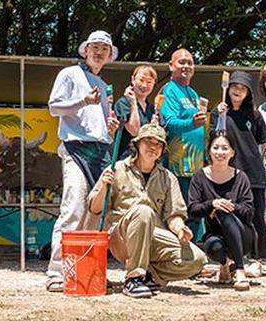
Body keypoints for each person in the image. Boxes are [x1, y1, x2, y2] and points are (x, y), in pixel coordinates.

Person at [87, 123, 206, 298]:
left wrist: (181, 230)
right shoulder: (117, 169)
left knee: (197, 259)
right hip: (121, 237)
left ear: (163, 150)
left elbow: (174, 215)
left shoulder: (168, 177)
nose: (153, 147)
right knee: (143, 211)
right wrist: (104, 186)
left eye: (158, 144)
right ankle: (133, 279)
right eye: (148, 141)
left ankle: (150, 276)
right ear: (137, 144)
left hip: (154, 235)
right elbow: (94, 208)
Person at [44, 30, 120, 292]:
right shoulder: (69, 74)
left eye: (104, 49)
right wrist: (82, 100)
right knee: (73, 209)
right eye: (95, 47)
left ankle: (87, 270)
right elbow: (54, 107)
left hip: (101, 152)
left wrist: (110, 127)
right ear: (85, 50)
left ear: (109, 56)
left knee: (96, 215)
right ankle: (56, 273)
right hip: (75, 148)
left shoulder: (102, 84)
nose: (99, 52)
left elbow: (98, 123)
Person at [212, 71, 266, 264]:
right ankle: (235, 255)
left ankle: (261, 255)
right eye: (235, 87)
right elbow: (213, 137)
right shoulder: (218, 112)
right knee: (233, 213)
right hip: (230, 172)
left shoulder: (254, 115)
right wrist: (220, 117)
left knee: (256, 216)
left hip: (253, 171)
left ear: (248, 93)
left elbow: (263, 142)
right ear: (228, 88)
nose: (238, 91)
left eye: (242, 88)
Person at [187, 132, 256, 291]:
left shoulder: (241, 177)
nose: (220, 152)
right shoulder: (199, 177)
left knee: (223, 211)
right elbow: (192, 209)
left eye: (225, 148)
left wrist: (228, 207)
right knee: (213, 246)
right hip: (215, 236)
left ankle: (239, 269)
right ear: (209, 151)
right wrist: (212, 204)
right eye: (216, 147)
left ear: (232, 152)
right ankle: (224, 265)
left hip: (243, 234)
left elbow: (249, 211)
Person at [159, 48, 206, 238]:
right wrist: (191, 123)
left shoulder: (194, 93)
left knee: (194, 211)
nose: (186, 66)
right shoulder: (168, 91)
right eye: (181, 62)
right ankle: (179, 256)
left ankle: (193, 254)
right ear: (171, 66)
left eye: (190, 62)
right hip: (178, 165)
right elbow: (168, 123)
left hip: (196, 165)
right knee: (179, 212)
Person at [112, 65, 158, 160]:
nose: (144, 85)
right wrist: (133, 103)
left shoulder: (152, 109)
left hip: (146, 161)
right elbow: (134, 131)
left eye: (149, 82)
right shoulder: (123, 103)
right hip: (126, 160)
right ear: (133, 80)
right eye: (141, 80)